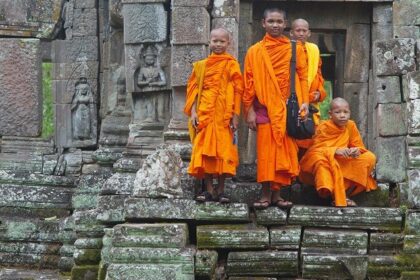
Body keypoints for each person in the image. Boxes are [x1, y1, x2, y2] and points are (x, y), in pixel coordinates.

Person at [243, 8, 309, 209]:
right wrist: (249, 111)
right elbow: (249, 82)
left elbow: (304, 77)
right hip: (263, 108)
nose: (275, 25)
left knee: (283, 151)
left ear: (285, 23)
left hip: (287, 109)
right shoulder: (255, 51)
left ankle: (277, 194)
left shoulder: (294, 48)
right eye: (271, 21)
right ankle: (264, 194)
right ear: (263, 23)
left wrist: (305, 101)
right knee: (265, 153)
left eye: (279, 21)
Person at [184, 28, 244, 203]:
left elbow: (238, 90)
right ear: (209, 42)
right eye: (215, 41)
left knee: (223, 151)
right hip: (205, 115)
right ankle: (209, 190)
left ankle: (222, 190)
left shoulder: (231, 64)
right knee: (205, 152)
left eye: (222, 41)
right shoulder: (201, 66)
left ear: (228, 43)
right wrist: (193, 112)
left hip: (224, 116)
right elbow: (193, 92)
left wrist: (236, 115)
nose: (218, 44)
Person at [299, 97, 377, 207]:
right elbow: (316, 149)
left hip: (342, 161)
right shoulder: (323, 127)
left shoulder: (350, 125)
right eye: (338, 112)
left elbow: (358, 146)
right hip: (327, 160)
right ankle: (335, 195)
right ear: (330, 114)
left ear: (350, 113)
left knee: (369, 157)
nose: (342, 115)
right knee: (319, 161)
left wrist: (356, 150)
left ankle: (343, 194)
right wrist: (335, 150)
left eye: (346, 112)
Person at [290, 18, 327, 151]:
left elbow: (319, 76)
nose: (301, 33)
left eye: (304, 30)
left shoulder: (314, 50)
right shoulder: (286, 49)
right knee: (291, 141)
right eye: (298, 30)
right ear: (291, 33)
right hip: (293, 103)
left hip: (311, 104)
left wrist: (320, 93)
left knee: (309, 141)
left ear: (309, 33)